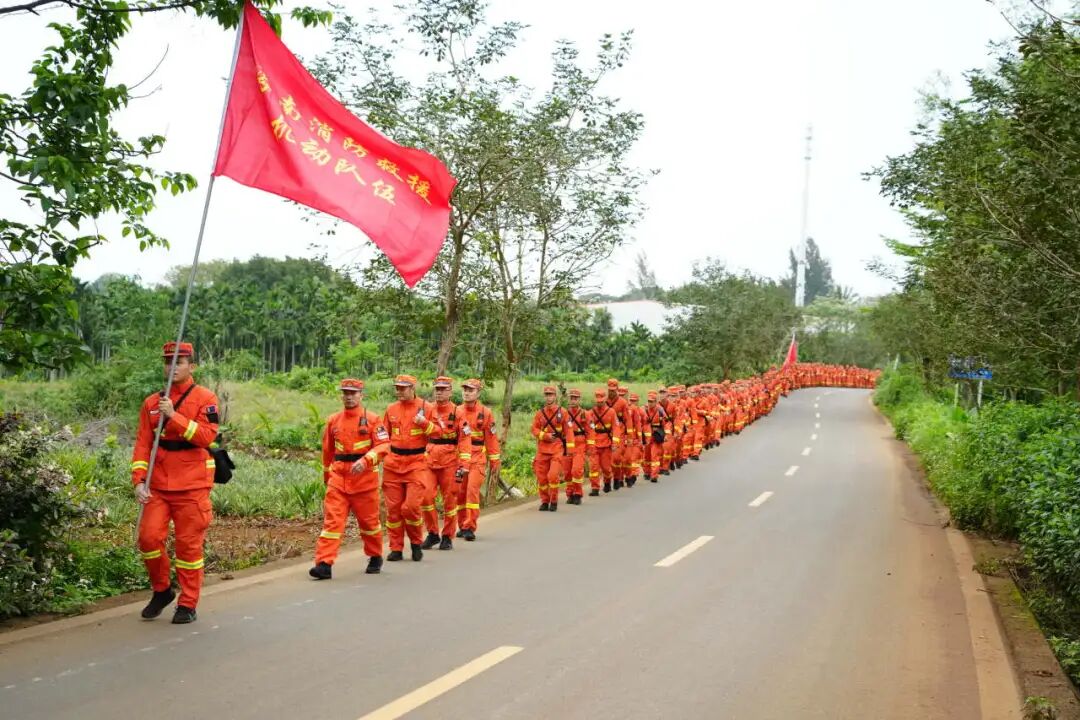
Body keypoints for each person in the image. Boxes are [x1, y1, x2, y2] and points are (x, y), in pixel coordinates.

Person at [131, 342, 220, 624]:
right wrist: (138, 480)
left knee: (188, 548)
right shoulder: (151, 403)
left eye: (179, 362)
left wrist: (174, 416)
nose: (172, 367)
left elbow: (206, 437)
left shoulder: (206, 398)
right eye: (168, 362)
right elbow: (143, 443)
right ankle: (162, 590)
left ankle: (188, 603)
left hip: (192, 484)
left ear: (191, 366)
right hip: (157, 483)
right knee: (148, 539)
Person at [310, 379, 389, 579]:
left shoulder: (372, 419)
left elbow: (383, 446)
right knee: (332, 522)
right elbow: (327, 452)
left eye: (353, 393)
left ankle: (375, 556)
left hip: (364, 482)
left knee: (369, 523)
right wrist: (327, 477)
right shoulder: (333, 420)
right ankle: (324, 563)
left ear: (361, 395)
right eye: (345, 393)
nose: (349, 396)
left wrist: (367, 459)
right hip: (339, 480)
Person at [381, 375, 438, 562]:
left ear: (413, 388)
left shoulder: (427, 408)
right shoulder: (391, 409)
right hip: (393, 464)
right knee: (394, 510)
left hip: (417, 464)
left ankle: (415, 542)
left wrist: (425, 424)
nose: (399, 392)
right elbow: (382, 437)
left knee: (411, 507)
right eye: (397, 388)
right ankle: (396, 548)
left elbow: (440, 431)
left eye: (403, 388)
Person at [421, 376, 472, 550]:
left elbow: (465, 439)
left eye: (443, 389)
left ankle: (447, 536)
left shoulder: (458, 412)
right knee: (426, 496)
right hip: (429, 460)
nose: (440, 392)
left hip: (450, 462)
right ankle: (433, 533)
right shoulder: (428, 410)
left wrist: (465, 464)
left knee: (450, 499)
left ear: (450, 391)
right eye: (437, 389)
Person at [455, 379, 500, 541]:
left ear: (478, 393)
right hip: (460, 458)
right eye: (465, 389)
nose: (467, 392)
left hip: (478, 457)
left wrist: (494, 460)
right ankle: (461, 524)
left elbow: (492, 438)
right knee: (459, 493)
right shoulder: (456, 411)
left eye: (471, 390)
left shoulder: (486, 413)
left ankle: (469, 526)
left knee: (472, 491)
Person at [532, 386, 571, 511]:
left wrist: (569, 449)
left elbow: (569, 431)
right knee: (541, 478)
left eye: (551, 395)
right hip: (542, 450)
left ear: (555, 396)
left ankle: (553, 500)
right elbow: (534, 429)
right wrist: (545, 436)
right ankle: (545, 501)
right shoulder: (540, 413)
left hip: (557, 449)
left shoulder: (563, 412)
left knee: (553, 476)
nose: (548, 397)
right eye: (546, 395)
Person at [562, 388, 594, 505]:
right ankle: (569, 494)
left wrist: (590, 447)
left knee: (576, 471)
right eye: (572, 398)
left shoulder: (585, 414)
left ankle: (578, 494)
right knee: (567, 472)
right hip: (566, 445)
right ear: (569, 399)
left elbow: (591, 431)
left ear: (579, 400)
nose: (573, 400)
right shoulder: (564, 414)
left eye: (576, 398)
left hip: (580, 445)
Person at [589, 388, 621, 494]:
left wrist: (615, 443)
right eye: (598, 401)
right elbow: (588, 428)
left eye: (601, 400)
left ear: (605, 399)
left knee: (606, 468)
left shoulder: (611, 412)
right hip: (594, 444)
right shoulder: (591, 412)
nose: (599, 403)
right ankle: (595, 488)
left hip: (606, 444)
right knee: (594, 467)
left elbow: (616, 428)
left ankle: (607, 481)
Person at [604, 379, 631, 489]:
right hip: (605, 433)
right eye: (610, 390)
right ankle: (607, 481)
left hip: (619, 432)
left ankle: (617, 478)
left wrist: (629, 436)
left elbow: (628, 420)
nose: (611, 392)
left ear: (617, 390)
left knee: (616, 458)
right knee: (606, 460)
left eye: (613, 390)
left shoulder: (622, 403)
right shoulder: (603, 400)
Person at [642, 391, 667, 482]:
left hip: (656, 436)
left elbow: (664, 423)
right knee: (646, 456)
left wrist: (665, 435)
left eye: (652, 401)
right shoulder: (643, 410)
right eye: (649, 401)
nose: (650, 403)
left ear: (656, 401)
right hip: (647, 437)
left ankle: (654, 475)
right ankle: (647, 472)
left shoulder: (660, 410)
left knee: (655, 456)